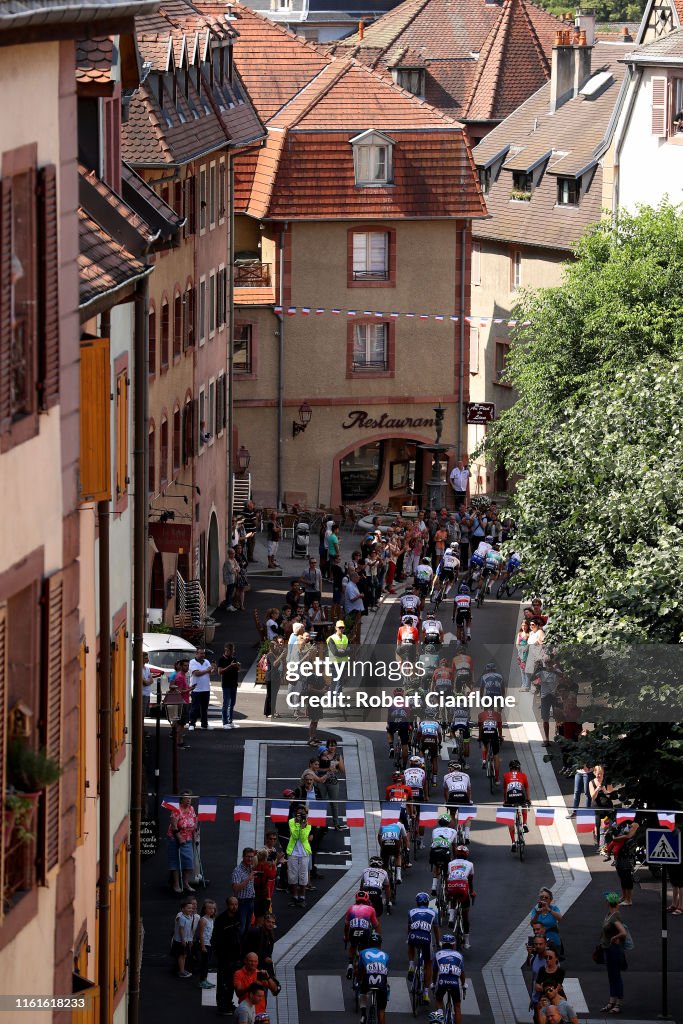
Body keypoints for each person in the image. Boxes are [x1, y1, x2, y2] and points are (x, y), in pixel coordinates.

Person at [407, 891, 440, 1005]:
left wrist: (409, 938)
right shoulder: (433, 912)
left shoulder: (411, 912)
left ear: (417, 903)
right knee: (429, 964)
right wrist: (438, 942)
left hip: (414, 936)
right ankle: (426, 993)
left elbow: (409, 927)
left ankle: (411, 965)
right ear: (427, 902)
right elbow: (435, 929)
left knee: (410, 941)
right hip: (426, 938)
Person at [599, 892, 628, 1014]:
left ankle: (618, 1003)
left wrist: (613, 938)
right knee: (611, 976)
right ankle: (612, 1001)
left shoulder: (615, 916)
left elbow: (623, 932)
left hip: (613, 950)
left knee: (616, 976)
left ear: (608, 902)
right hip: (608, 949)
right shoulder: (609, 914)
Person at [214, 895, 243, 1016]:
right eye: (232, 904)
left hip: (235, 955)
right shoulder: (221, 919)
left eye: (236, 904)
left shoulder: (238, 916)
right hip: (224, 956)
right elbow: (217, 939)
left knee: (232, 982)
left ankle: (229, 1002)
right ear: (227, 905)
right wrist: (221, 956)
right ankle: (222, 1005)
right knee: (223, 982)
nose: (234, 906)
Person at [168, 791, 198, 894]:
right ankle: (176, 884)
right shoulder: (176, 810)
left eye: (190, 798)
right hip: (175, 838)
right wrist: (179, 837)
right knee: (175, 862)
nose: (189, 800)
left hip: (188, 838)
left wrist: (195, 833)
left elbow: (194, 820)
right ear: (181, 800)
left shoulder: (191, 809)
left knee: (189, 863)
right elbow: (174, 826)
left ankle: (185, 883)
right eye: (187, 798)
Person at [433, 933, 466, 1024]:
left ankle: (439, 1015)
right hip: (454, 983)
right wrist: (463, 984)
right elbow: (462, 973)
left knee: (439, 1000)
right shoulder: (459, 955)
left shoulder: (438, 954)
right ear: (453, 945)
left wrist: (433, 983)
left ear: (442, 944)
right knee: (457, 1007)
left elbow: (435, 972)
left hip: (442, 981)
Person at [358, 930, 390, 1024]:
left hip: (368, 979)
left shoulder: (363, 952)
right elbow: (385, 972)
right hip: (381, 980)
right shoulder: (386, 956)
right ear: (380, 945)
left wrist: (360, 979)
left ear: (369, 943)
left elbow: (361, 969)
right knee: (381, 1010)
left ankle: (363, 1014)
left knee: (363, 991)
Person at [445, 845, 475, 947]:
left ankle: (451, 917)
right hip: (463, 887)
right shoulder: (470, 864)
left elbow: (449, 876)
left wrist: (446, 892)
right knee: (465, 916)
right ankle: (466, 941)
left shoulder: (450, 863)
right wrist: (472, 892)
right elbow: (470, 881)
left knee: (453, 895)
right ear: (467, 855)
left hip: (451, 886)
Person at [318, 738, 346, 830]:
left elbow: (342, 770)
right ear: (327, 746)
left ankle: (336, 823)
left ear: (336, 746)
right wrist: (328, 769)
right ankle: (319, 823)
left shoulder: (338, 756)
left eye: (334, 745)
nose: (332, 747)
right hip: (321, 780)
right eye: (330, 745)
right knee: (321, 802)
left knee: (334, 803)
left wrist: (336, 768)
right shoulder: (321, 755)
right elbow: (316, 768)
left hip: (333, 782)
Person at [287, 804, 312, 907]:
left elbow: (303, 838)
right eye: (299, 813)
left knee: (303, 875)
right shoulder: (291, 822)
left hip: (304, 852)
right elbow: (295, 835)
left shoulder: (309, 823)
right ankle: (294, 897)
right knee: (292, 875)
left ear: (305, 814)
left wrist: (303, 825)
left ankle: (302, 897)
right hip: (293, 852)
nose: (300, 815)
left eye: (303, 813)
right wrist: (298, 824)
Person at [503, 759, 530, 853]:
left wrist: (505, 801)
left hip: (510, 797)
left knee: (510, 819)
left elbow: (505, 789)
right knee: (523, 805)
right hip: (520, 795)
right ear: (519, 768)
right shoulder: (523, 775)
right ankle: (525, 824)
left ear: (510, 769)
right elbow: (526, 788)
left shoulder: (506, 775)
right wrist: (528, 800)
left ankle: (513, 842)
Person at [187, 648, 216, 731]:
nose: (203, 655)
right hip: (196, 689)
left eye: (203, 653)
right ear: (196, 654)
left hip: (206, 688)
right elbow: (196, 673)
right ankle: (192, 723)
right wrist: (207, 670)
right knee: (195, 707)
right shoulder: (192, 662)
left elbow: (211, 672)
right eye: (201, 653)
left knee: (204, 708)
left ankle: (204, 724)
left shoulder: (206, 661)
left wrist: (214, 668)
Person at [232, 848, 257, 936]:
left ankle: (244, 946)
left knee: (248, 926)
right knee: (241, 927)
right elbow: (235, 888)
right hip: (242, 902)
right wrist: (248, 879)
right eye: (248, 857)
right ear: (243, 857)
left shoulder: (250, 867)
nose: (250, 859)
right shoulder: (237, 871)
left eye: (251, 857)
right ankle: (238, 946)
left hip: (251, 900)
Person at [378, 815, 409, 883]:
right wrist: (407, 848)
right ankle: (398, 876)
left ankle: (383, 880)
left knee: (384, 861)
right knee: (398, 855)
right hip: (395, 842)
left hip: (385, 843)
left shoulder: (382, 823)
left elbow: (379, 837)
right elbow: (405, 838)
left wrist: (382, 847)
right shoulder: (400, 824)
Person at [172, 897, 198, 978]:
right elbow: (181, 930)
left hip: (186, 940)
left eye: (193, 906)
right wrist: (183, 940)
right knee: (181, 955)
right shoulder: (182, 917)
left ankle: (183, 969)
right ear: (183, 909)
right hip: (181, 940)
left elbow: (189, 930)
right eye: (189, 907)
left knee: (184, 955)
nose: (191, 908)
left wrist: (190, 940)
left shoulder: (190, 917)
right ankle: (181, 971)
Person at [530, 888, 563, 952]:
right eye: (542, 897)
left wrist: (549, 909)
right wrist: (537, 914)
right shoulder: (535, 910)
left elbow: (560, 919)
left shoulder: (554, 908)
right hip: (540, 943)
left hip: (553, 941)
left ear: (550, 900)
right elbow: (532, 924)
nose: (544, 898)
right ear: (539, 899)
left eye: (546, 897)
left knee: (552, 960)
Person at [217, 642, 241, 730]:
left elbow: (238, 670)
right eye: (231, 650)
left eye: (233, 650)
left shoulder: (234, 658)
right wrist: (230, 666)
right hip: (226, 684)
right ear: (226, 650)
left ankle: (230, 721)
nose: (233, 652)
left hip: (234, 684)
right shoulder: (221, 659)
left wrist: (238, 666)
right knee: (226, 703)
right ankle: (225, 722)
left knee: (232, 703)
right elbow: (220, 672)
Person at [478, 707, 503, 785]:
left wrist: (480, 737)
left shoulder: (481, 714)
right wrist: (501, 736)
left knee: (484, 744)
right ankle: (496, 779)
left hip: (485, 732)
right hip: (494, 733)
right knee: (496, 755)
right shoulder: (498, 715)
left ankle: (484, 759)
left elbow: (480, 727)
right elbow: (499, 727)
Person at [443, 759, 472, 824]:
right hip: (463, 795)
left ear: (450, 769)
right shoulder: (466, 775)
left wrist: (447, 801)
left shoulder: (446, 776)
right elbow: (469, 790)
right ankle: (467, 833)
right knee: (466, 815)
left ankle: (453, 831)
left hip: (452, 795)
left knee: (452, 814)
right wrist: (469, 800)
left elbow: (445, 791)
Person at [197, 899, 218, 989]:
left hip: (210, 944)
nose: (211, 910)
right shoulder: (203, 920)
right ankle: (202, 981)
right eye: (209, 908)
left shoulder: (211, 919)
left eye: (213, 909)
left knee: (207, 964)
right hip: (205, 944)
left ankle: (205, 979)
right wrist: (202, 946)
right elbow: (201, 934)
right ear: (205, 909)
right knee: (204, 964)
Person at [264, 635, 286, 719]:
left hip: (275, 677)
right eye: (276, 645)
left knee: (274, 695)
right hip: (270, 678)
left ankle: (272, 711)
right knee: (270, 696)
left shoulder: (275, 654)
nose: (277, 646)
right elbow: (274, 664)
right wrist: (281, 656)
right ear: (272, 647)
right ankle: (268, 712)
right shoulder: (270, 655)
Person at [142, 652, 155, 720]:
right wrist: (148, 680)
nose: (148, 659)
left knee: (145, 714)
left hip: (147, 693)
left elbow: (152, 680)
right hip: (142, 694)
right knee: (141, 713)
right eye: (146, 658)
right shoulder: (138, 669)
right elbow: (145, 682)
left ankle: (143, 729)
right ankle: (141, 729)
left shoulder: (147, 669)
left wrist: (148, 681)